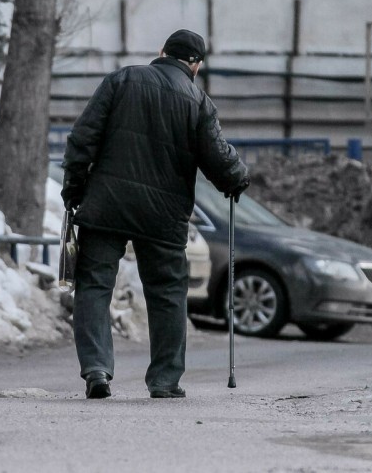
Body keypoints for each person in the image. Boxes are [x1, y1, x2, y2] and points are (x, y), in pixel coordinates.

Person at [61, 29, 249, 399]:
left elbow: (83, 137)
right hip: (162, 216)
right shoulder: (198, 100)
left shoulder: (121, 79)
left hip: (107, 205)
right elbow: (218, 157)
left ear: (162, 52)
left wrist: (74, 188)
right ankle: (164, 380)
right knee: (167, 292)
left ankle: (97, 369)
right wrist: (237, 178)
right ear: (196, 65)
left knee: (95, 285)